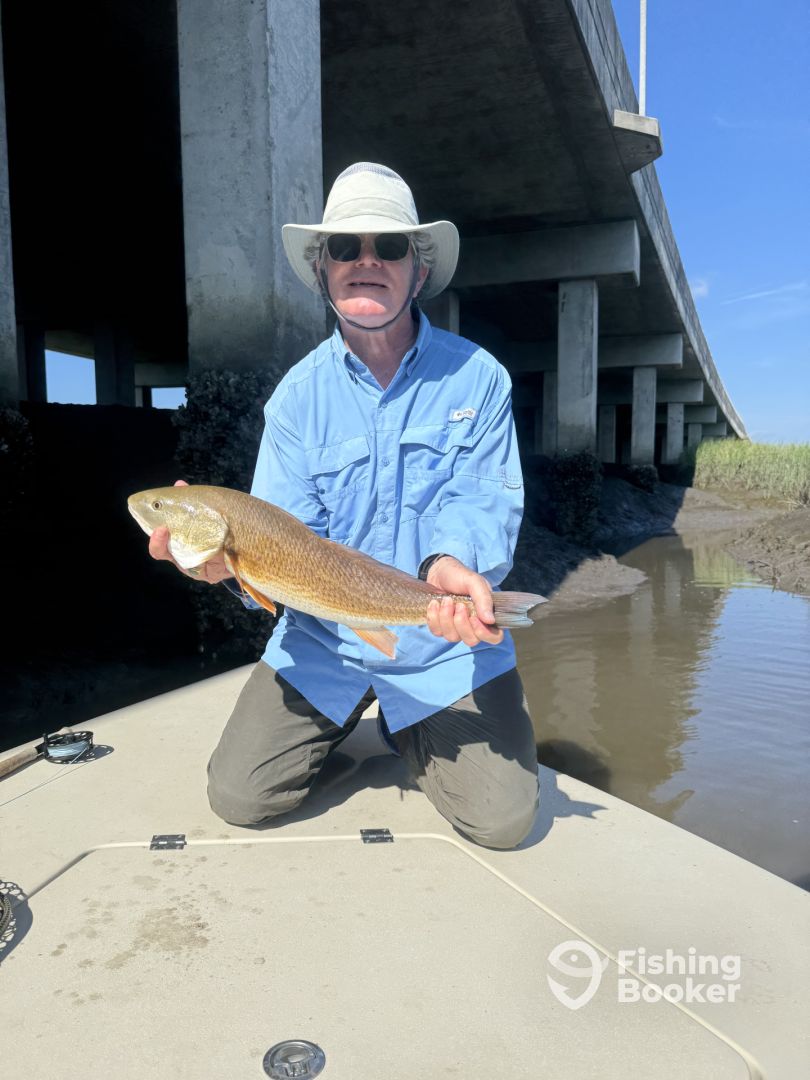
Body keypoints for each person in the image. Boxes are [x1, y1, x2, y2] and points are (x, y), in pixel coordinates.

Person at [150, 163, 539, 849]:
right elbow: (280, 542)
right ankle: (372, 720)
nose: (366, 260)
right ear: (322, 269)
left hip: (438, 643)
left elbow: (481, 498)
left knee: (503, 821)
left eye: (389, 246)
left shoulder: (480, 379)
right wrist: (226, 570)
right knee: (239, 796)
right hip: (323, 641)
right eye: (343, 247)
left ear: (418, 270)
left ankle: (405, 722)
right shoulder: (295, 401)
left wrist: (452, 565)